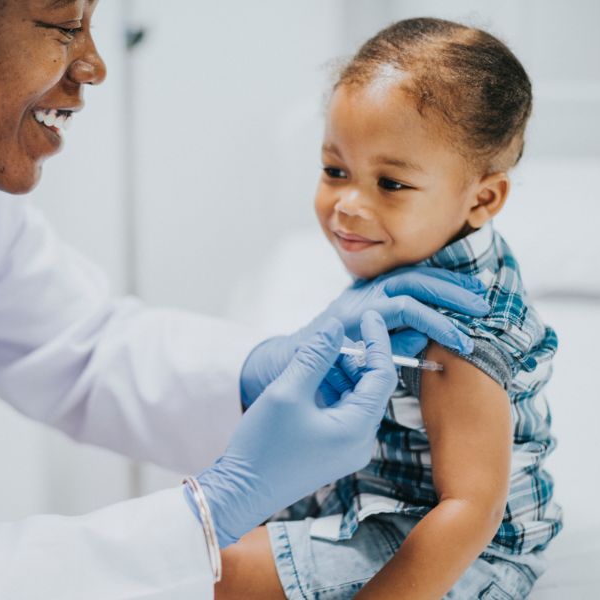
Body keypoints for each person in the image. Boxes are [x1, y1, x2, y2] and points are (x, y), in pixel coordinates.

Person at [0, 2, 492, 598]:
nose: (92, 65)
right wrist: (216, 507)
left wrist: (261, 372)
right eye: (63, 25)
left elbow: (87, 345)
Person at [216, 17, 561, 600]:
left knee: (212, 573)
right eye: (335, 171)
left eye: (391, 184)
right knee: (195, 541)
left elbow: (471, 508)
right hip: (379, 498)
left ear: (483, 198)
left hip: (457, 554)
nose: (348, 205)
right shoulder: (412, 258)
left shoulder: (459, 327)